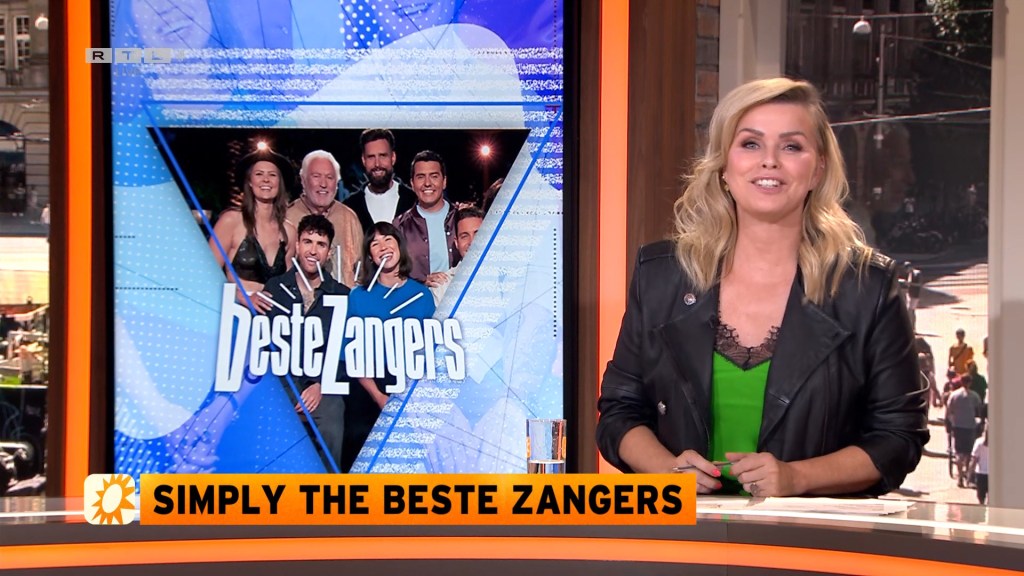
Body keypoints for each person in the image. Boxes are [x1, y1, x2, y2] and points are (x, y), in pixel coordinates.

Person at [595, 78, 928, 497]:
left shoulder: (867, 289)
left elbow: (899, 436)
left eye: (791, 147)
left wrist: (797, 477)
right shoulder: (661, 275)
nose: (769, 161)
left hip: (806, 534)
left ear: (818, 169)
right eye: (750, 144)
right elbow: (620, 412)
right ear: (723, 165)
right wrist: (666, 471)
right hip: (686, 531)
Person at [343, 222, 436, 472]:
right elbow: (353, 356)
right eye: (375, 243)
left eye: (388, 240)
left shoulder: (422, 296)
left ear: (399, 246)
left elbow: (431, 356)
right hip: (368, 384)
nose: (383, 247)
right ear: (370, 255)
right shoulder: (359, 296)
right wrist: (379, 396)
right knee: (359, 438)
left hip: (410, 385)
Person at [261, 214, 348, 470]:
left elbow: (343, 351)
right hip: (281, 381)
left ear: (329, 252)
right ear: (297, 246)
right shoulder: (275, 288)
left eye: (320, 244)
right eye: (307, 242)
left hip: (322, 384)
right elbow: (265, 345)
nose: (313, 250)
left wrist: (321, 384)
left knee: (332, 420)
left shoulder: (341, 295)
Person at [209, 148, 297, 313]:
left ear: (280, 182)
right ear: (249, 182)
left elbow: (288, 285)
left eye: (272, 175)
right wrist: (242, 297)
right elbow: (206, 274)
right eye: (259, 174)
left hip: (273, 317)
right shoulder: (231, 221)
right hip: (235, 312)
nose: (266, 180)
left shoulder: (289, 231)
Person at [285, 150, 364, 288]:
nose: (323, 184)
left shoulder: (349, 218)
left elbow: (362, 270)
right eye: (316, 176)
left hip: (343, 298)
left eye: (330, 177)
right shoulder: (288, 218)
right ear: (303, 180)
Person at [393, 150, 461, 284]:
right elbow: (393, 275)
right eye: (420, 177)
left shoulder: (461, 218)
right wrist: (422, 282)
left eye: (434, 176)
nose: (427, 183)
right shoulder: (399, 226)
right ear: (412, 184)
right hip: (418, 297)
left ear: (444, 181)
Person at [343, 129, 417, 233]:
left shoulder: (413, 201)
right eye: (371, 157)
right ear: (363, 160)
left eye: (382, 156)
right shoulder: (350, 207)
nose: (377, 164)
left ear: (393, 158)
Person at [429, 205, 485, 305]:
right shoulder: (442, 286)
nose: (472, 242)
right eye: (464, 236)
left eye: (478, 234)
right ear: (456, 243)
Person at [946, 375, 982, 487]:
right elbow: (979, 410)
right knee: (968, 452)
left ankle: (960, 476)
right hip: (970, 427)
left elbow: (948, 411)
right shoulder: (975, 396)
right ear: (970, 383)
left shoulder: (954, 395)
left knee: (958, 452)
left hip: (958, 426)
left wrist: (950, 422)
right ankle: (967, 473)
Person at [970, 426, 989, 504]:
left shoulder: (979, 442)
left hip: (981, 473)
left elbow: (974, 460)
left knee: (981, 499)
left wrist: (970, 473)